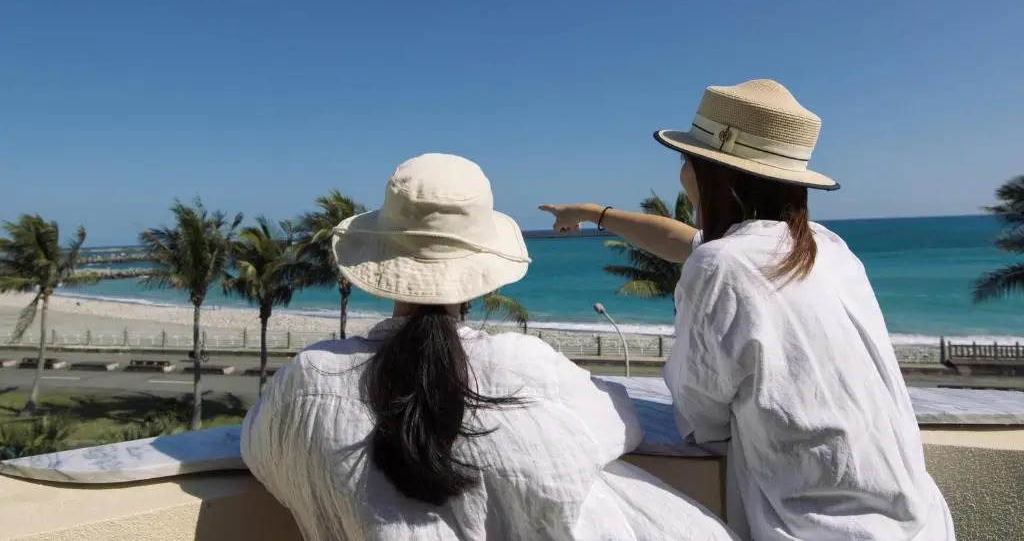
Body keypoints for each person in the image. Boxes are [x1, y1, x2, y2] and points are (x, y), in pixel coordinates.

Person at [242, 153, 735, 540]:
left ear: (383, 260)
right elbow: (620, 423)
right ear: (481, 272)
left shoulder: (309, 378)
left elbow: (261, 452)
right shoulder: (526, 367)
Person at [542, 79, 955, 540]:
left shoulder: (721, 265)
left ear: (713, 174)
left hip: (821, 531)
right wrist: (594, 213)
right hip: (923, 524)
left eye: (686, 161)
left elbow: (700, 420)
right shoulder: (826, 247)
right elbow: (684, 240)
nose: (682, 174)